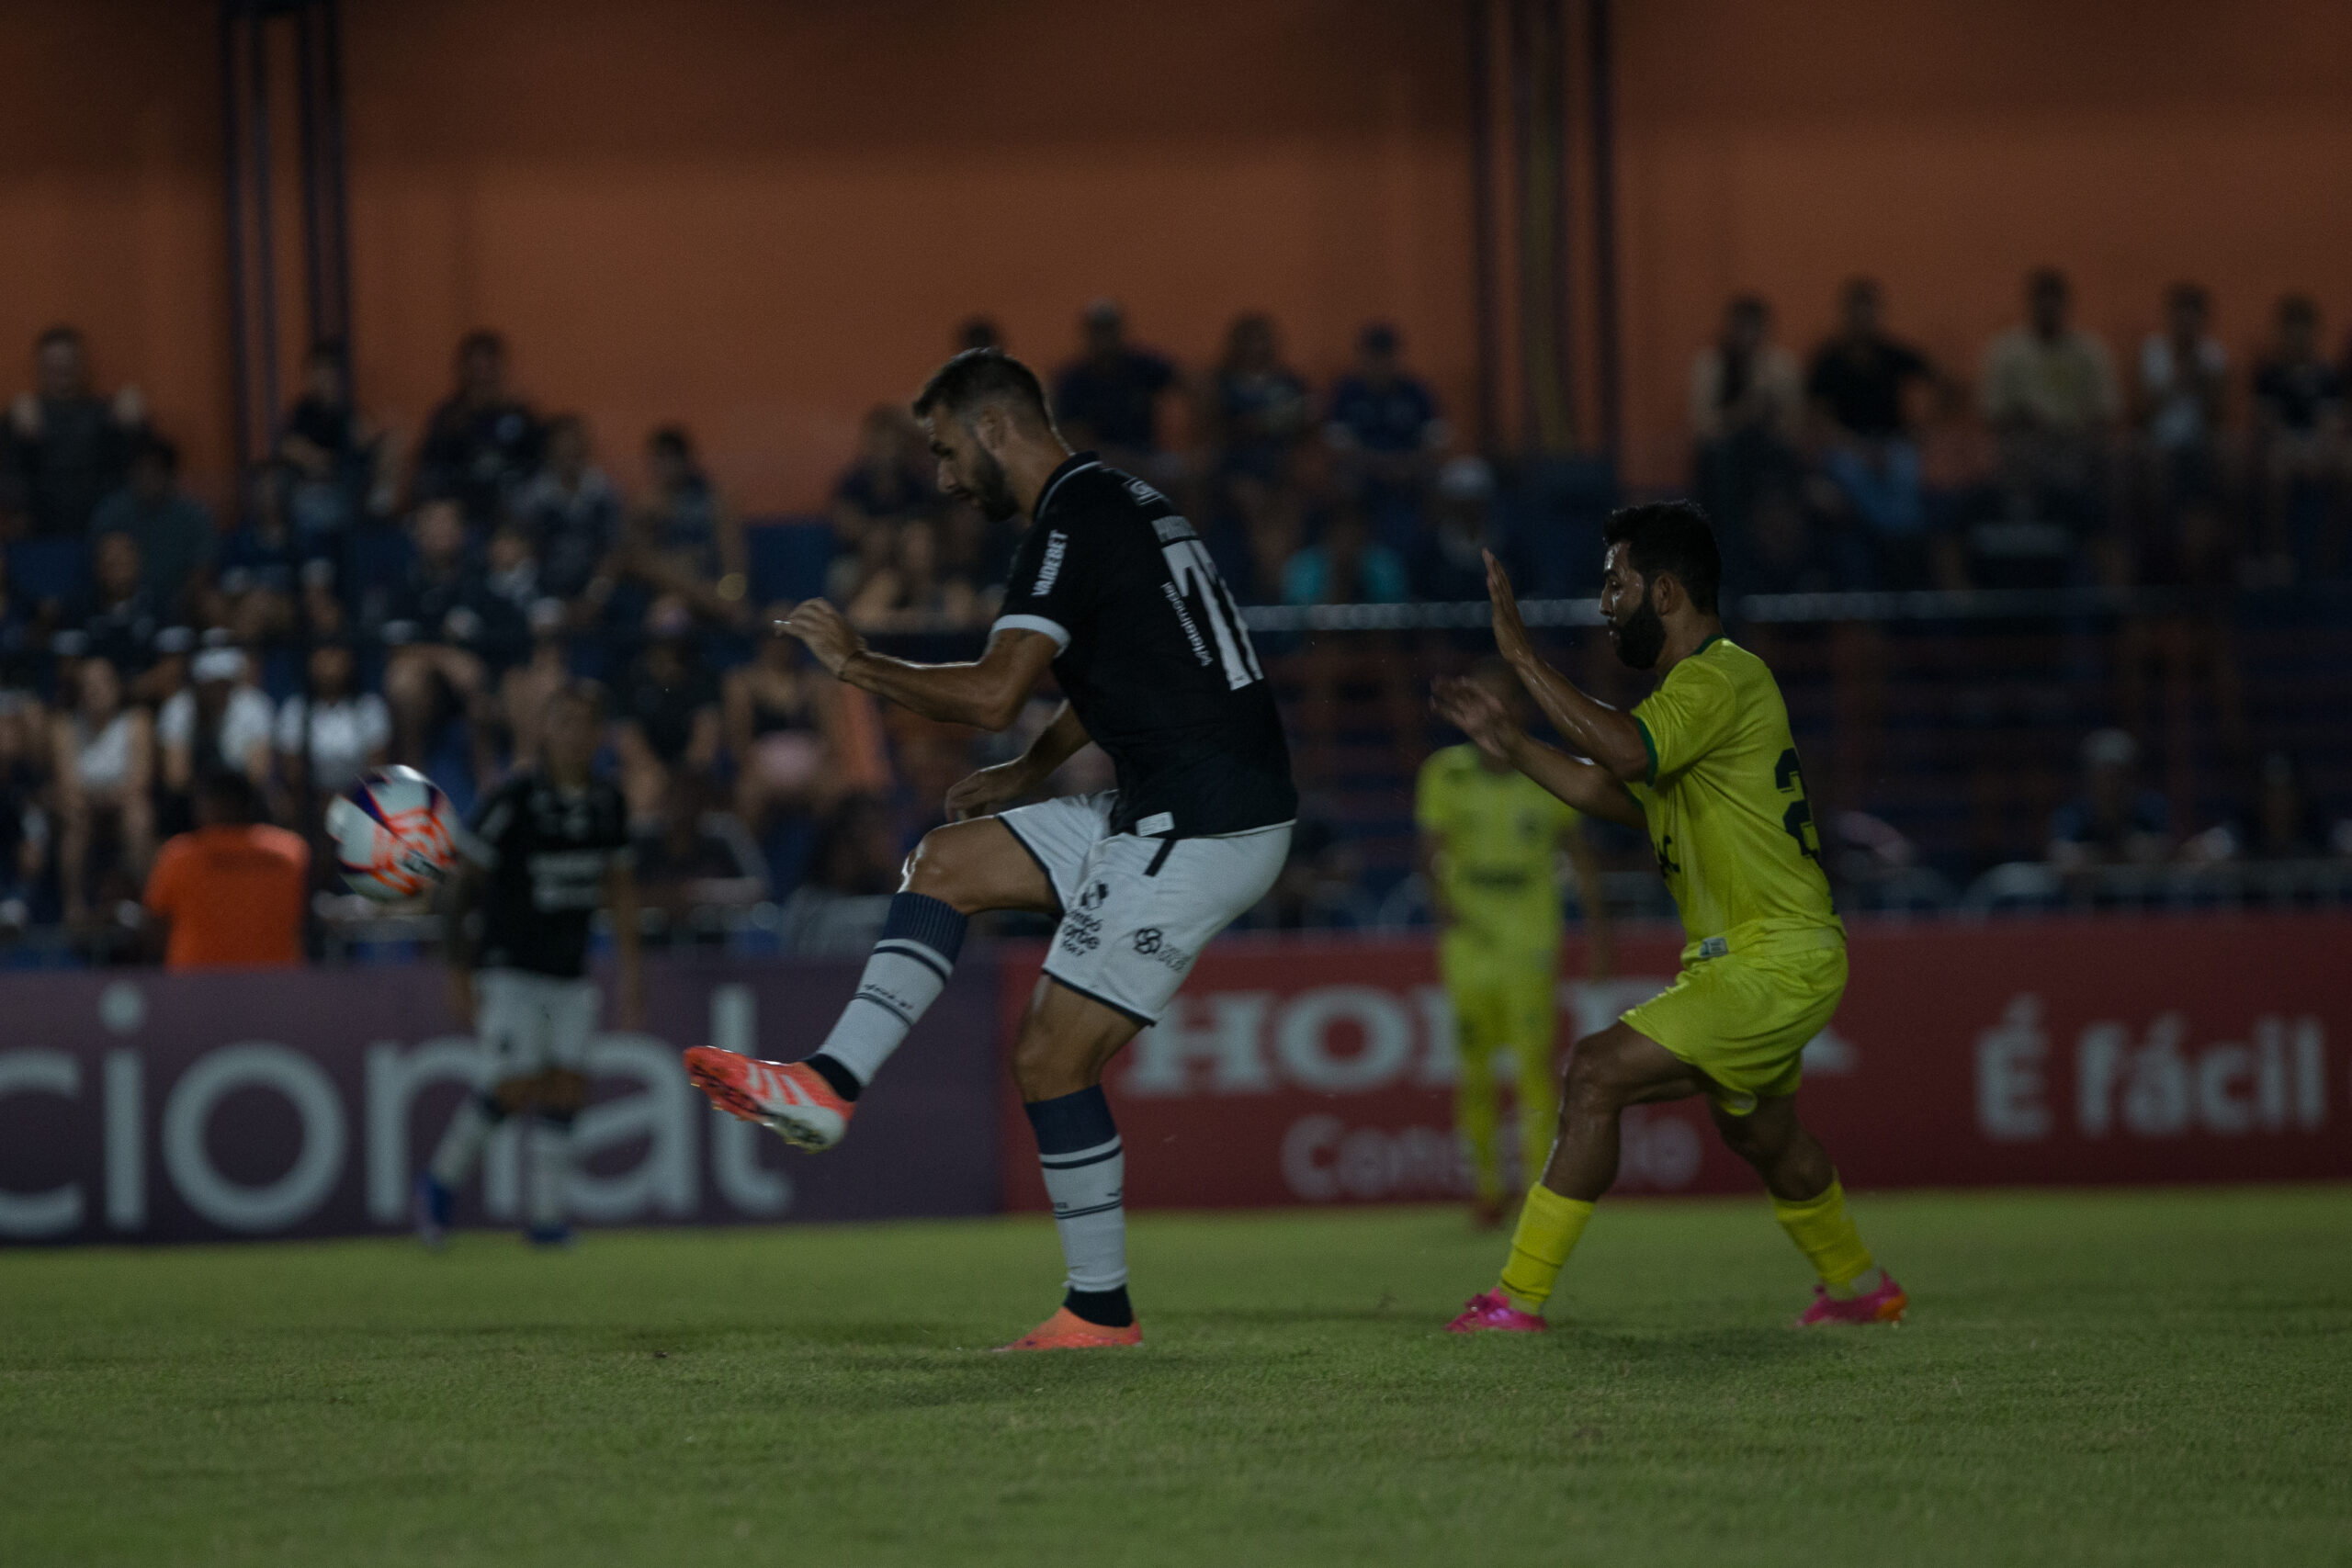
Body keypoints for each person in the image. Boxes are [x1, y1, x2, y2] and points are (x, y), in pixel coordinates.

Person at [683, 348, 1295, 1350]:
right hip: (1169, 798)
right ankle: (829, 1081)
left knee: (1050, 1058)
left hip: (1204, 822)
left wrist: (856, 664)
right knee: (947, 862)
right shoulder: (1120, 501)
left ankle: (1099, 1311)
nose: (943, 476)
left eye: (943, 449)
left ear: (993, 427)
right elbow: (1126, 667)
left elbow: (993, 693)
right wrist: (1027, 772)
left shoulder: (1069, 520)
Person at [1437, 501, 1903, 1333]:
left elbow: (1621, 753)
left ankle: (1515, 1298)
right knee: (1765, 1136)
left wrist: (1522, 657)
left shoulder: (1719, 678)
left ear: (1666, 592)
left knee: (1594, 1071)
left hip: (1771, 958)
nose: (1605, 603)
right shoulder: (1699, 700)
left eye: (1615, 585)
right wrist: (1510, 744)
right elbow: (1608, 790)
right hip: (1759, 959)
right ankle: (1860, 1287)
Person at [415, 682, 642, 1249]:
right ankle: (439, 1183)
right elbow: (458, 887)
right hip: (509, 966)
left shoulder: (609, 802)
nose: (574, 735)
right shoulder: (513, 799)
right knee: (514, 1085)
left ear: (600, 735)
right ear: (546, 730)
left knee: (568, 1086)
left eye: (585, 724)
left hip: (570, 970)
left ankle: (546, 1220)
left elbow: (619, 889)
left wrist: (632, 971)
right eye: (564, 722)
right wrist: (457, 972)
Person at [1418, 658, 1613, 1225]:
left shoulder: (1545, 771)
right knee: (1474, 1067)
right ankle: (1486, 1189)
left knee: (1533, 1065)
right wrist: (1443, 905)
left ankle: (1537, 1194)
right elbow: (1430, 850)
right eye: (1481, 697)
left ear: (1516, 708)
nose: (1490, 709)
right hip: (1470, 930)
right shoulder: (1444, 772)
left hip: (1530, 925)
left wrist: (1599, 936)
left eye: (1501, 698)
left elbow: (1581, 859)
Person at [1806, 278, 1944, 585]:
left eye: (1869, 311)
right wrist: (1860, 449)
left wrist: (1920, 428)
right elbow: (1820, 420)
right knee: (1853, 474)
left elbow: (1938, 381)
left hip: (1892, 445)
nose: (1863, 319)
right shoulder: (1829, 362)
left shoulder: (1893, 354)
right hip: (1848, 449)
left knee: (1903, 466)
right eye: (1857, 311)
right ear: (1847, 315)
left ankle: (1894, 534)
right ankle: (1897, 536)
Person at [141, 770, 307, 970]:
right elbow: (304, 917)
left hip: (196, 980)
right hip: (275, 979)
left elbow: (156, 928)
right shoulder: (291, 851)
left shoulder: (179, 856)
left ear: (209, 804)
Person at [7, 324, 146, 538]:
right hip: (41, 534)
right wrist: (19, 436)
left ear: (82, 365)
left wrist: (136, 427)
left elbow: (140, 468)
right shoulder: (23, 416)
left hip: (104, 533)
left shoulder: (108, 413)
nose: (62, 370)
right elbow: (10, 480)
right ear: (40, 368)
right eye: (53, 365)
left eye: (68, 363)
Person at [51, 655, 155, 927]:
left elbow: (140, 780)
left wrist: (109, 797)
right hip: (85, 810)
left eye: (102, 683)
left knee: (139, 815)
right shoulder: (65, 726)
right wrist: (93, 800)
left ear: (117, 686)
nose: (95, 691)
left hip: (123, 805)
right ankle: (74, 906)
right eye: (88, 685)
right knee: (73, 816)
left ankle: (143, 903)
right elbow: (67, 785)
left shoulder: (137, 721)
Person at [413, 330, 540, 526]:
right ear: (465, 370)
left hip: (508, 507)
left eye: (488, 366)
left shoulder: (518, 414)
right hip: (461, 508)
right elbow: (432, 466)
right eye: (476, 367)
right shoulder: (449, 417)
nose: (482, 374)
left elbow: (534, 461)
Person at [90, 435, 216, 623]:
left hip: (180, 605)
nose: (148, 477)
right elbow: (100, 564)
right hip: (123, 602)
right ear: (131, 473)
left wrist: (176, 607)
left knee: (211, 604)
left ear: (170, 474)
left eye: (156, 470)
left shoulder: (193, 515)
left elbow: (202, 568)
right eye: (142, 470)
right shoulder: (112, 514)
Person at [1051, 299, 1179, 475]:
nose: (1105, 338)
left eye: (1110, 330)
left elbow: (1186, 383)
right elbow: (1073, 435)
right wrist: (1113, 457)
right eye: (1099, 331)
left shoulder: (1142, 366)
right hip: (1100, 461)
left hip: (1148, 456)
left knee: (1177, 472)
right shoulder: (1073, 380)